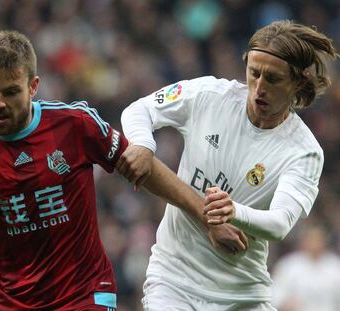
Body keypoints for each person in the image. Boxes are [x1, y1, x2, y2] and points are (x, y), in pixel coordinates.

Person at [0, 31, 248, 310]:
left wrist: (205, 217)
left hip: (83, 297)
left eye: (10, 92)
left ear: (33, 86)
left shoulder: (74, 124)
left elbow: (143, 167)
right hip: (14, 300)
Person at [119, 20, 338, 310]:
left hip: (242, 296)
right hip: (173, 283)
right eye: (254, 73)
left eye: (272, 79)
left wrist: (233, 212)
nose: (259, 87)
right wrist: (143, 143)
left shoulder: (304, 151)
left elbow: (280, 223)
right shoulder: (209, 96)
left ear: (297, 83)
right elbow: (140, 109)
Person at [271, 222, 340, 311]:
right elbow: (275, 290)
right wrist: (284, 302)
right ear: (304, 240)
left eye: (318, 239)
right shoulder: (288, 265)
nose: (314, 243)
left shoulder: (335, 266)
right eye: (311, 239)